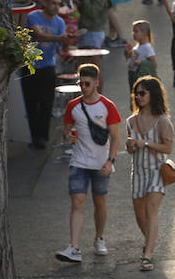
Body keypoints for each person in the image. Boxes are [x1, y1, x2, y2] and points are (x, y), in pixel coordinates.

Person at [55, 64, 121, 264]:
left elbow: (116, 137)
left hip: (101, 164)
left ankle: (99, 238)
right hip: (79, 163)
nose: (83, 87)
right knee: (77, 203)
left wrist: (110, 161)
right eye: (80, 83)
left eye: (87, 83)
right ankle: (74, 248)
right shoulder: (72, 106)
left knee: (99, 202)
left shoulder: (107, 106)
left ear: (96, 83)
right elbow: (66, 131)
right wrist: (68, 137)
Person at [125, 76, 174, 272]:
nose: (138, 96)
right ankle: (150, 242)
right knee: (139, 215)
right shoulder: (130, 121)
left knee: (150, 210)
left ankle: (148, 255)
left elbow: (168, 148)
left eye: (142, 93)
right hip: (137, 172)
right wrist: (130, 145)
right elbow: (130, 150)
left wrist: (143, 143)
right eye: (136, 93)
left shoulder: (163, 121)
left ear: (152, 94)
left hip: (156, 171)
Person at [25, 0, 69, 149]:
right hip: (30, 66)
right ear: (46, 3)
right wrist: (59, 38)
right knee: (31, 103)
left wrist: (67, 41)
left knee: (46, 103)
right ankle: (33, 136)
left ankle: (43, 137)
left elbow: (62, 48)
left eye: (59, 4)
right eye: (53, 3)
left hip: (48, 66)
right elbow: (39, 35)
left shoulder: (60, 22)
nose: (56, 7)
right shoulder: (33, 16)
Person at [76, 0, 110, 79]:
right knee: (84, 69)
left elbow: (93, 12)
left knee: (94, 70)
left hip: (93, 33)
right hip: (86, 33)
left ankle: (97, 94)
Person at [125, 21, 157, 92]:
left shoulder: (147, 47)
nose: (133, 34)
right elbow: (131, 60)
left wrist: (141, 63)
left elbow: (154, 64)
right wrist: (128, 54)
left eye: (136, 31)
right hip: (133, 75)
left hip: (141, 77)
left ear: (145, 33)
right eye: (133, 31)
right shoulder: (137, 46)